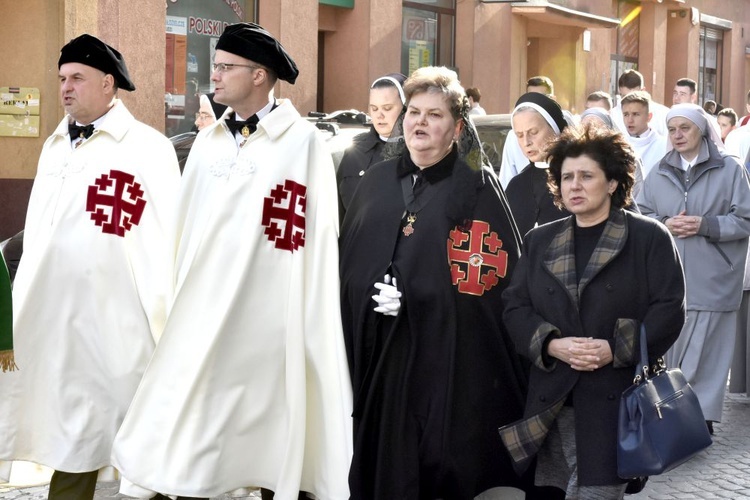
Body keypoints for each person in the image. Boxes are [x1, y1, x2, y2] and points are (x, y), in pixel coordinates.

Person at [110, 23, 352, 500]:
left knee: (269, 443)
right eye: (215, 67)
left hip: (267, 324)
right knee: (195, 439)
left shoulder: (302, 144)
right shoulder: (209, 142)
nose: (213, 77)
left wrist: (300, 318)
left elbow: (313, 241)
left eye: (224, 67)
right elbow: (186, 227)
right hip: (203, 317)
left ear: (259, 76)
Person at [0, 34, 180, 500]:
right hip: (58, 321)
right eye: (61, 78)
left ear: (108, 84)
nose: (66, 87)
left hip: (119, 322)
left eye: (77, 78)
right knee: (70, 432)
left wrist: (166, 316)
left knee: (137, 435)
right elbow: (39, 233)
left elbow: (166, 237)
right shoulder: (55, 147)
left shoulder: (148, 148)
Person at [340, 65, 528, 499]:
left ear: (457, 127)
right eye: (414, 112)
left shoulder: (476, 190)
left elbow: (489, 291)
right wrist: (370, 288)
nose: (420, 122)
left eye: (435, 115)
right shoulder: (378, 184)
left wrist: (414, 297)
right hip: (378, 361)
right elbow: (349, 264)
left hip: (444, 366)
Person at [500, 122, 686, 499]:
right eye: (567, 177)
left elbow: (670, 309)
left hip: (614, 401)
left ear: (613, 182)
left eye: (587, 175)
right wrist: (551, 344)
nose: (574, 185)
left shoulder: (649, 237)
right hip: (551, 402)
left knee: (598, 492)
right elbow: (515, 307)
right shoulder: (540, 240)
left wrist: (615, 349)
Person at [636, 103, 750, 434]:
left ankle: (700, 417)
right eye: (673, 129)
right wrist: (666, 222)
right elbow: (642, 216)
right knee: (675, 351)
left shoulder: (730, 169)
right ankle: (677, 413)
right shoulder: (658, 171)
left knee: (709, 353)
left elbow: (744, 219)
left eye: (685, 128)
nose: (678, 135)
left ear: (701, 130)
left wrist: (704, 225)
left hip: (715, 275)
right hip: (671, 277)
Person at [336, 72, 406, 216]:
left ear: (406, 108)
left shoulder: (419, 152)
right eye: (374, 108)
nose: (379, 115)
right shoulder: (356, 149)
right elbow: (337, 210)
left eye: (387, 108)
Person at [505, 92, 570, 237]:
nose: (526, 142)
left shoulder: (579, 177)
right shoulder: (516, 186)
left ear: (555, 129)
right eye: (519, 135)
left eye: (533, 132)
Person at [620, 90, 668, 178]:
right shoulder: (618, 145)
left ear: (649, 117)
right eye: (626, 114)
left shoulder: (664, 145)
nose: (630, 120)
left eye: (636, 114)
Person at [610, 69, 668, 137]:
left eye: (634, 97)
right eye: (625, 97)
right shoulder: (612, 116)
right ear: (620, 92)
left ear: (643, 90)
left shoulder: (663, 114)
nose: (630, 103)